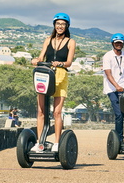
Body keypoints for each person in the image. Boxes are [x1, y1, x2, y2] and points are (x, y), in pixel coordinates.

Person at [30, 13, 76, 152]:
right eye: (58, 24)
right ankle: (40, 142)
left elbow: (69, 62)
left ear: (66, 26)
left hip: (61, 76)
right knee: (41, 111)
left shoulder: (70, 42)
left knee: (57, 112)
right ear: (54, 25)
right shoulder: (48, 40)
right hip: (45, 75)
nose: (60, 26)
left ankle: (56, 143)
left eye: (63, 24)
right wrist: (35, 60)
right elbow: (41, 56)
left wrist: (60, 63)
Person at [103, 33, 124, 146]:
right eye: (117, 43)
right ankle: (119, 139)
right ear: (113, 43)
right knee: (119, 114)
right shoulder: (107, 56)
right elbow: (108, 75)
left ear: (123, 44)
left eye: (120, 43)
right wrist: (116, 86)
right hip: (111, 88)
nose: (118, 45)